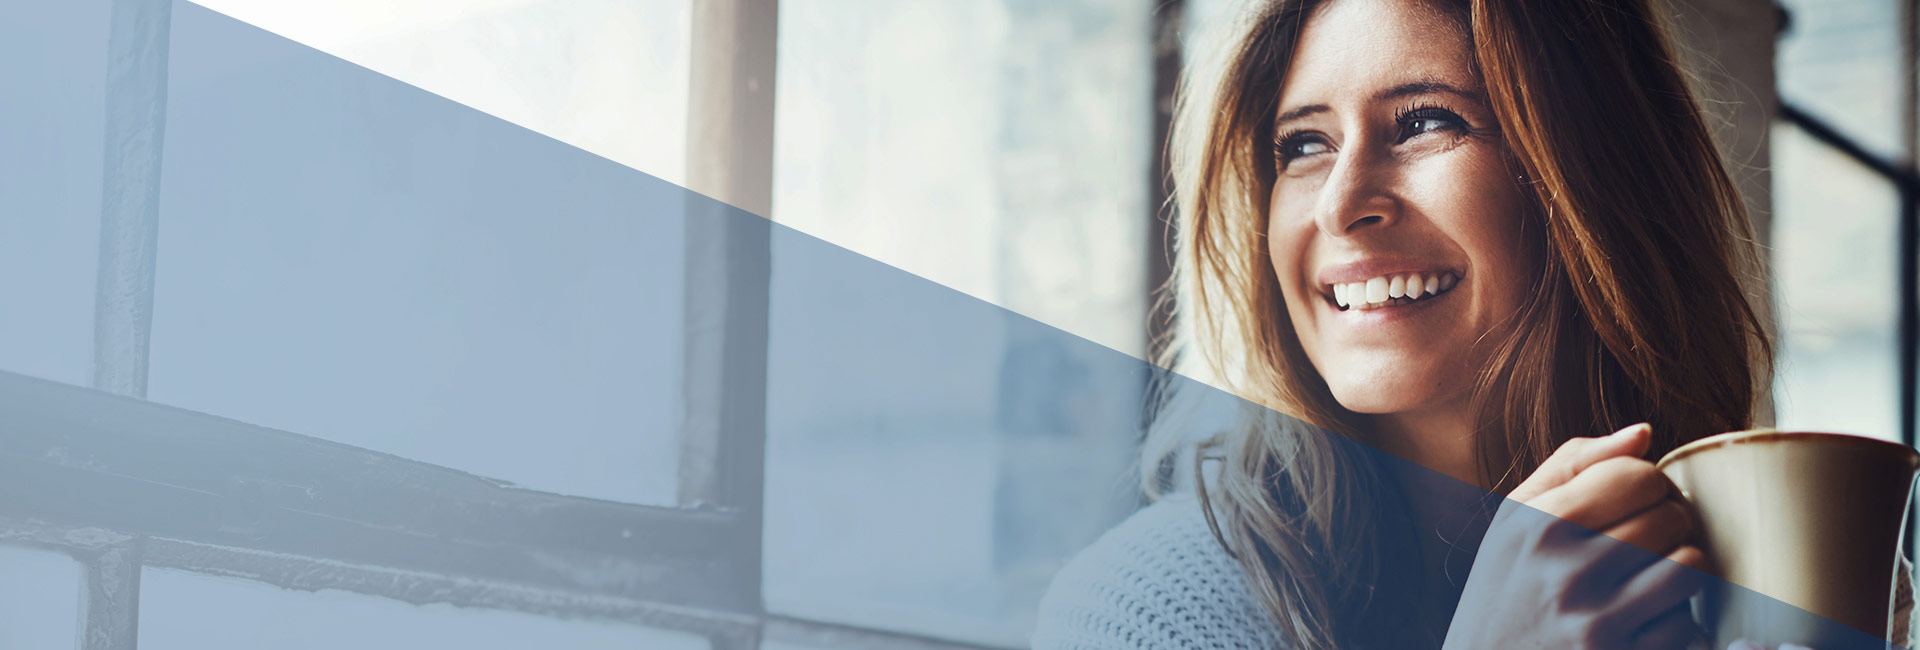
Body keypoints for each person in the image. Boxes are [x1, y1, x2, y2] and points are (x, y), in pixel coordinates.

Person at [1029, 0, 1797, 647]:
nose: (1338, 202)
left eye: (1424, 121)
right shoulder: (1146, 609)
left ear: (1595, 177)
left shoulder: (1740, 571)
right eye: (1304, 145)